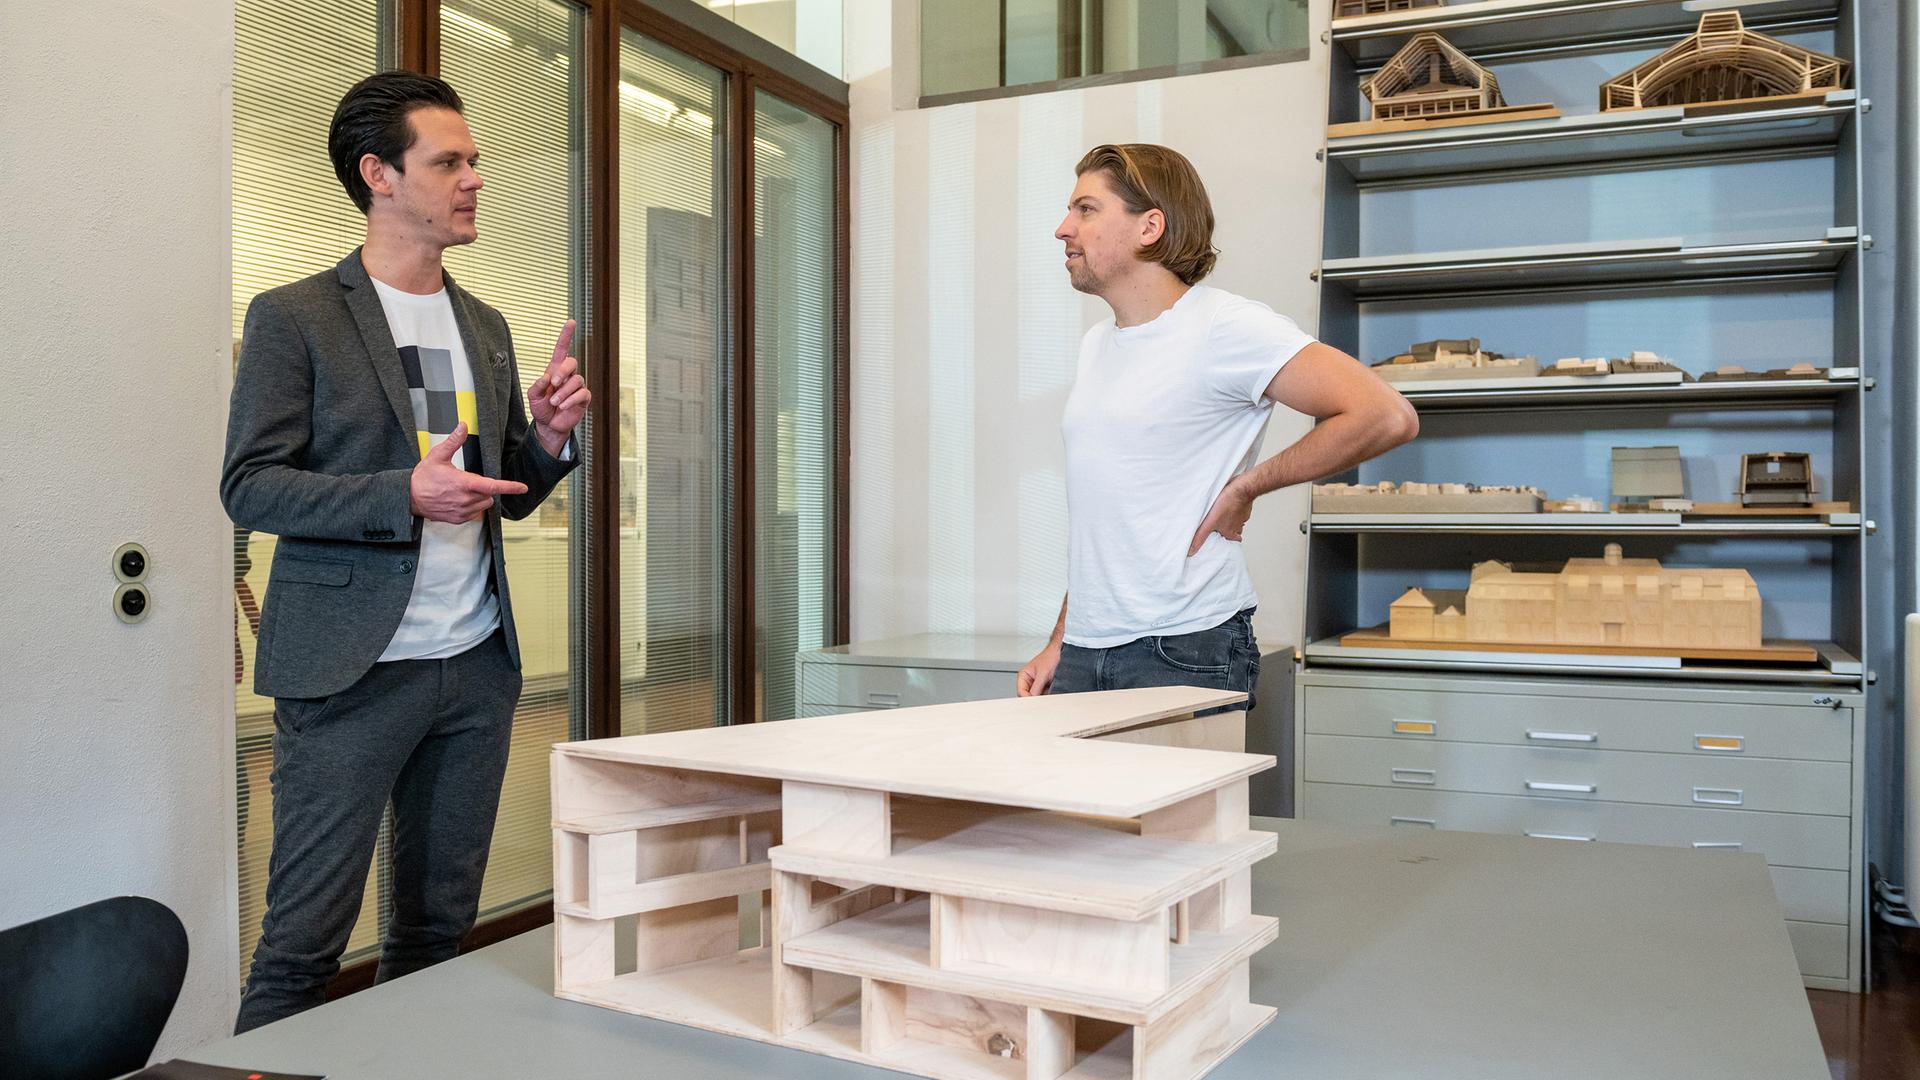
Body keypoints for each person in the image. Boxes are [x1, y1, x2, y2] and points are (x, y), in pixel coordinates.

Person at [222, 71, 589, 1032]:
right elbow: (249, 485)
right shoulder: (294, 317)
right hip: (350, 674)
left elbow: (498, 488)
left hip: (470, 667)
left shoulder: (487, 326)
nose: (474, 177)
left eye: (474, 160)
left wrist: (547, 441)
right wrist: (401, 493)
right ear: (378, 174)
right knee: (302, 947)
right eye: (450, 161)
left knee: (435, 934)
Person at [1017, 143, 1416, 708]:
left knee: (1181, 803)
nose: (1063, 228)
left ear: (1149, 226)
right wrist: (1062, 639)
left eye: (1085, 209)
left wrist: (1249, 485)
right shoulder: (1096, 347)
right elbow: (1107, 517)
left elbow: (1385, 414)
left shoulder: (1223, 327)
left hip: (1184, 646)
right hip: (1087, 648)